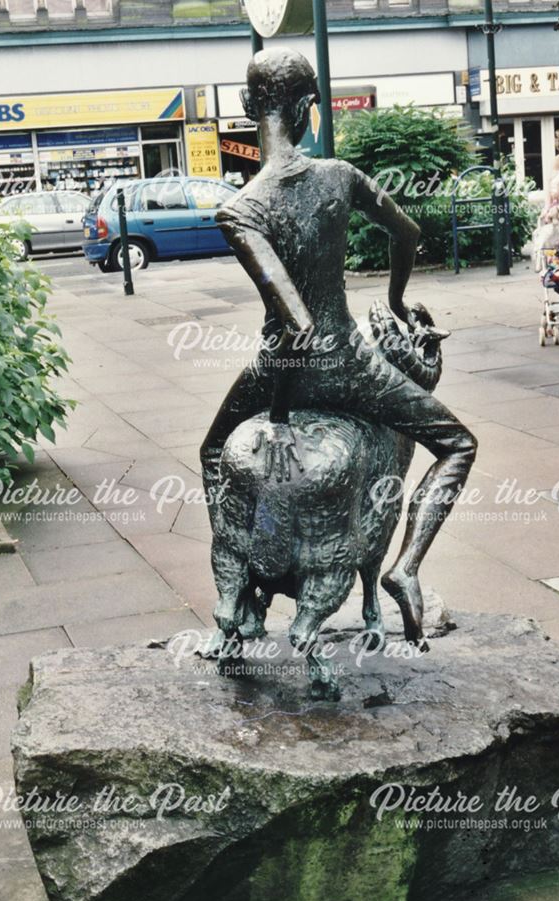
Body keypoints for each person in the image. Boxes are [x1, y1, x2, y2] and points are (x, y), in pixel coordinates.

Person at [200, 47, 477, 648]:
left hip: (280, 368)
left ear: (248, 107)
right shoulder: (341, 176)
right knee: (457, 444)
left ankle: (239, 593)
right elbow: (407, 232)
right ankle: (406, 567)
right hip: (351, 365)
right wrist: (398, 301)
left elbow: (292, 329)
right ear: (307, 108)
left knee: (214, 450)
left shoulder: (239, 209)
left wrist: (276, 412)